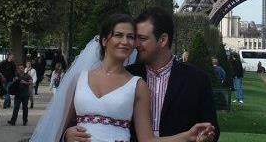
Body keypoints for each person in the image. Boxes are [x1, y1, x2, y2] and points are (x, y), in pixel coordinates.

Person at [50, 9, 218, 142]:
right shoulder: (131, 75)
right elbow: (66, 125)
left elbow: (211, 128)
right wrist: (66, 135)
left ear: (163, 40)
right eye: (121, 36)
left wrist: (199, 136)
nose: (134, 44)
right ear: (103, 40)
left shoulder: (196, 80)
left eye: (139, 38)